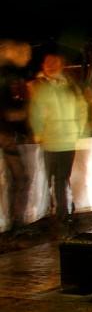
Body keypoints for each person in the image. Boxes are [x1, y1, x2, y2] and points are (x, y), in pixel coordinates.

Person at [28, 52, 89, 228]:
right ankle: (58, 212)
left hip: (65, 140)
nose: (51, 66)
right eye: (48, 63)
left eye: (55, 63)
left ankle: (62, 214)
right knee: (54, 179)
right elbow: (36, 112)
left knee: (60, 179)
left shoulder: (69, 86)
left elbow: (82, 108)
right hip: (52, 140)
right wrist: (39, 132)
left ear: (61, 65)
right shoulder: (42, 86)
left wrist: (79, 130)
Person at [0, 40, 32, 232]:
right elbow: (10, 110)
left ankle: (16, 221)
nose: (27, 57)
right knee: (21, 178)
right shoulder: (7, 74)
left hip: (8, 133)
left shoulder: (10, 74)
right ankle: (16, 223)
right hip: (6, 134)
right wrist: (22, 113)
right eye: (24, 52)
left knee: (18, 179)